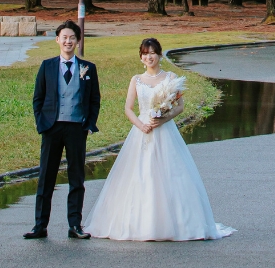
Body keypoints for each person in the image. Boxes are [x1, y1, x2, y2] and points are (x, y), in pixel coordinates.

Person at [83, 37, 234, 241]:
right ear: (141, 57)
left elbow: (180, 107)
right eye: (145, 54)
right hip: (142, 131)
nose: (149, 57)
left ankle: (177, 223)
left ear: (160, 55)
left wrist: (163, 119)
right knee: (138, 174)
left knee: (170, 174)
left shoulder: (170, 77)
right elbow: (128, 109)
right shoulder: (136, 79)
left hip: (164, 130)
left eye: (152, 53)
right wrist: (141, 124)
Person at [24, 20, 101, 240]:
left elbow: (95, 99)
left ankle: (75, 224)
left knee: (76, 177)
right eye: (64, 37)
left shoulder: (88, 68)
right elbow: (38, 98)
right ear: (58, 40)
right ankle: (40, 225)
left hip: (77, 128)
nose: (68, 41)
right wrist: (42, 124)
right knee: (46, 177)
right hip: (52, 127)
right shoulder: (47, 66)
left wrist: (89, 122)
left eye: (72, 38)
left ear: (78, 41)